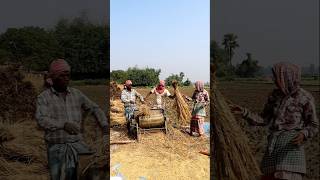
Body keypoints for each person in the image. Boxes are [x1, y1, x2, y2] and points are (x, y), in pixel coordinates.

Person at [230, 62, 319, 180]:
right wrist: (245, 113)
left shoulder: (305, 97)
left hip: (291, 149)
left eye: (278, 77)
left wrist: (303, 134)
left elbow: (313, 124)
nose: (275, 80)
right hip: (273, 148)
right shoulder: (274, 96)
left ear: (287, 78)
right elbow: (264, 119)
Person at [35, 59, 108, 180]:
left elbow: (95, 108)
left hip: (78, 145)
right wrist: (63, 125)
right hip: (57, 148)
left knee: (91, 172)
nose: (66, 78)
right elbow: (41, 119)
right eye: (61, 75)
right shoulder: (44, 97)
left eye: (67, 75)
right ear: (53, 77)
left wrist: (104, 126)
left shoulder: (76, 94)